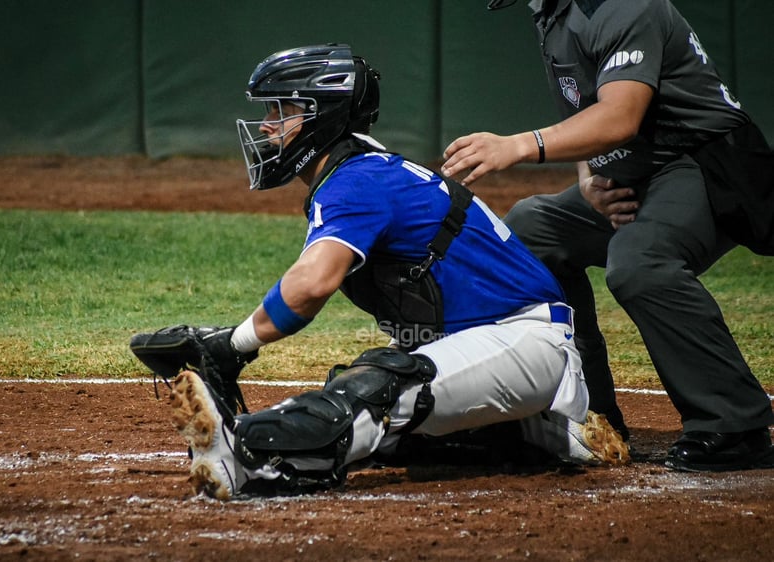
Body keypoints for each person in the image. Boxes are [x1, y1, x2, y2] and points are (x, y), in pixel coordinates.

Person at [129, 43, 628, 501]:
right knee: (376, 408)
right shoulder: (361, 172)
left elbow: (311, 285)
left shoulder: (357, 180)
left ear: (321, 117)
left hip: (523, 340)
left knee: (380, 388)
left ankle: (246, 457)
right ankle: (537, 433)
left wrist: (232, 343)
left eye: (280, 111)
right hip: (488, 343)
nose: (266, 127)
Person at [441, 0, 774, 472]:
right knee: (531, 229)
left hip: (703, 165)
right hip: (637, 173)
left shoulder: (623, 4)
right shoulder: (552, 11)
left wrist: (518, 145)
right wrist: (588, 173)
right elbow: (587, 108)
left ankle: (735, 424)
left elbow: (619, 118)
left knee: (639, 261)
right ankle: (588, 414)